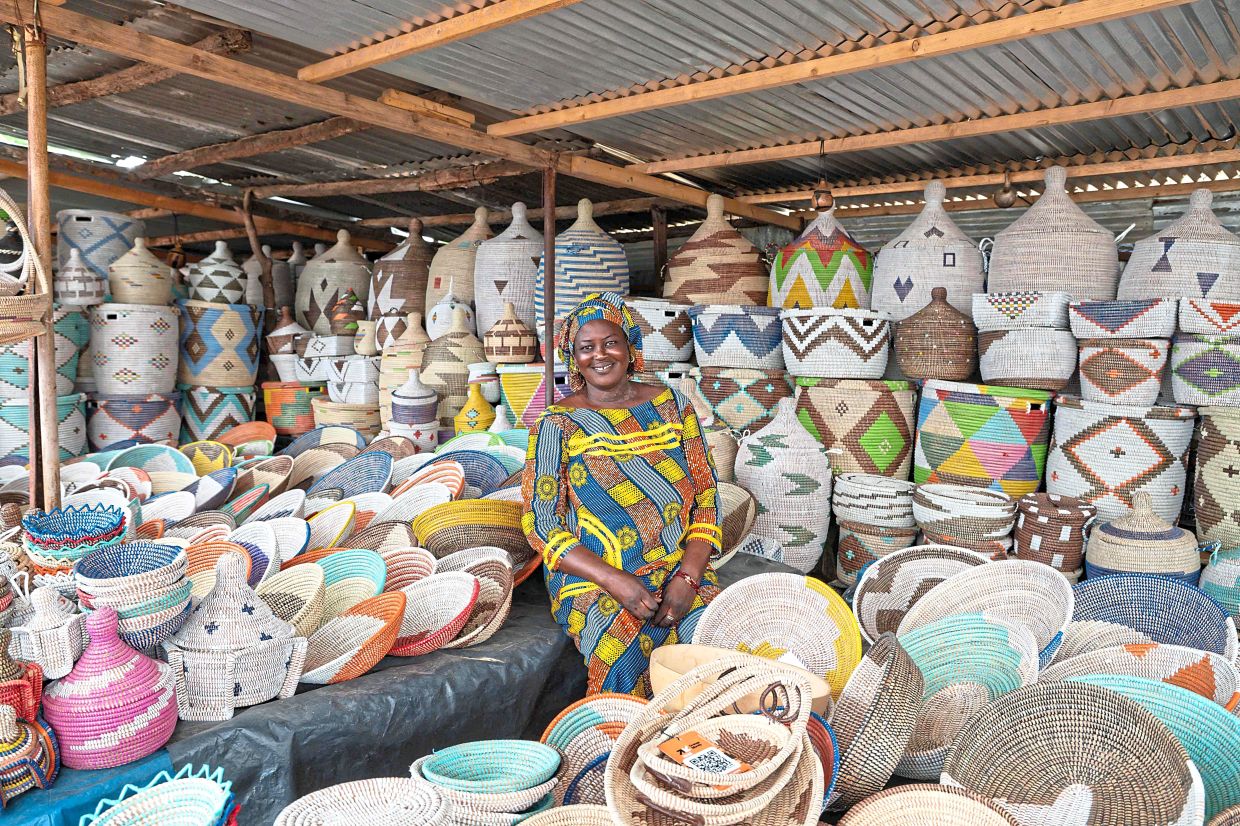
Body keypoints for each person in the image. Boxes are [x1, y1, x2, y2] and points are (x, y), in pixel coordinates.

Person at [521, 292, 723, 696]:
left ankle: (705, 744)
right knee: (620, 649)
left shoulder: (672, 406)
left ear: (631, 348)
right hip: (594, 578)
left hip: (675, 564)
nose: (600, 355)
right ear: (572, 357)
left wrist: (687, 577)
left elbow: (707, 496)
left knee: (715, 642)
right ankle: (626, 745)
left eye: (611, 342)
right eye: (586, 347)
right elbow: (541, 524)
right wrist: (619, 583)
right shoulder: (557, 424)